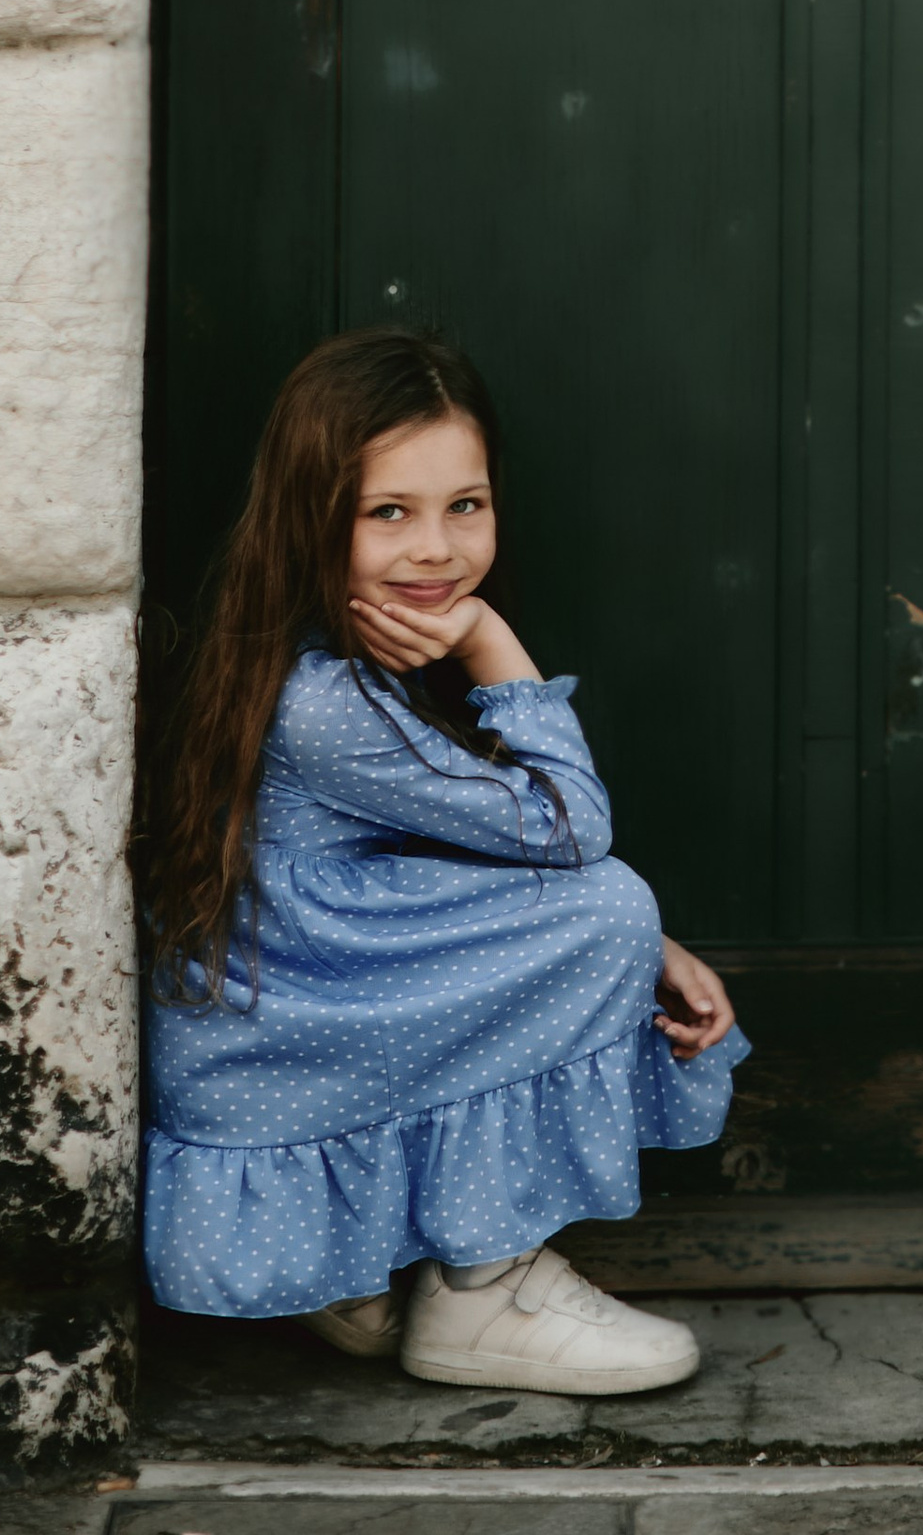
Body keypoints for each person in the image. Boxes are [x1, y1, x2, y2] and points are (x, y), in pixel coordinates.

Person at [141, 326, 747, 1396]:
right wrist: (490, 645)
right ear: (311, 516)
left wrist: (654, 944)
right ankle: (484, 1289)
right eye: (389, 513)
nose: (437, 549)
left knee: (618, 917)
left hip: (282, 1024)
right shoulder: (324, 704)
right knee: (605, 902)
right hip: (287, 1038)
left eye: (464, 506)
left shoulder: (288, 651)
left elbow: (446, 850)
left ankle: (356, 1267)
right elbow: (568, 830)